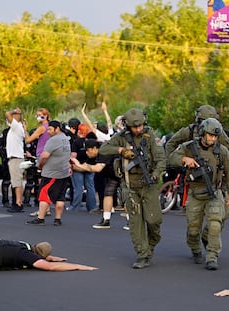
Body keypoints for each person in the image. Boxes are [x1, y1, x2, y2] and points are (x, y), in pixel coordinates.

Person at [99, 108, 166, 269]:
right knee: (136, 225)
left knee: (154, 221)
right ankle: (142, 255)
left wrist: (156, 174)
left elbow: (160, 159)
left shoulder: (149, 136)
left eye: (140, 126)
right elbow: (103, 149)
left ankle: (150, 245)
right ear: (128, 126)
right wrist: (121, 150)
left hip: (148, 185)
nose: (138, 129)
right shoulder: (121, 137)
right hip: (129, 187)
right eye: (135, 127)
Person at [168, 118, 229, 270]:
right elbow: (171, 158)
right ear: (203, 133)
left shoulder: (221, 151)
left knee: (215, 224)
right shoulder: (189, 147)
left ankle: (212, 256)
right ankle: (195, 248)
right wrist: (184, 159)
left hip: (214, 192)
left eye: (215, 136)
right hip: (195, 193)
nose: (213, 139)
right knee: (193, 229)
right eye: (210, 135)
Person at [26, 120, 71, 226]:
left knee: (44, 195)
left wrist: (40, 166)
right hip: (64, 172)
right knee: (60, 197)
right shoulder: (65, 138)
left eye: (50, 129)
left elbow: (44, 156)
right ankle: (58, 219)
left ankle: (40, 218)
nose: (48, 132)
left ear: (57, 128)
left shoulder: (53, 140)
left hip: (51, 173)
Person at [71, 139, 121, 229]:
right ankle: (106, 220)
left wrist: (78, 165)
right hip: (113, 175)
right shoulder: (94, 156)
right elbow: (86, 166)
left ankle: (132, 222)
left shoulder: (103, 152)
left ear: (94, 148)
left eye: (88, 150)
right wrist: (74, 166)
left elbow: (97, 168)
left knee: (128, 196)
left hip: (124, 174)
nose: (86, 153)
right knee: (107, 193)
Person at [24, 108, 51, 210]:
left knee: (42, 182)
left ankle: (43, 208)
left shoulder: (42, 128)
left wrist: (25, 130)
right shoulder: (51, 127)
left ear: (46, 115)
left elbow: (28, 140)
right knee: (47, 181)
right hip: (50, 155)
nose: (38, 117)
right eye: (37, 115)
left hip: (41, 155)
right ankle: (46, 207)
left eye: (40, 115)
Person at [69, 123, 98, 213]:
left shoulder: (77, 142)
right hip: (90, 167)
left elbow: (73, 156)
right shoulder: (95, 143)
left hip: (78, 167)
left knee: (78, 187)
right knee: (90, 187)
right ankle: (92, 207)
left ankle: (75, 207)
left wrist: (71, 166)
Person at [5, 108, 26, 213]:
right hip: (15, 157)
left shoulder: (17, 126)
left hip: (16, 157)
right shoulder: (15, 127)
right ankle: (18, 202)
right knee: (16, 181)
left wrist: (13, 111)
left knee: (17, 182)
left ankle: (18, 203)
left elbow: (7, 113)